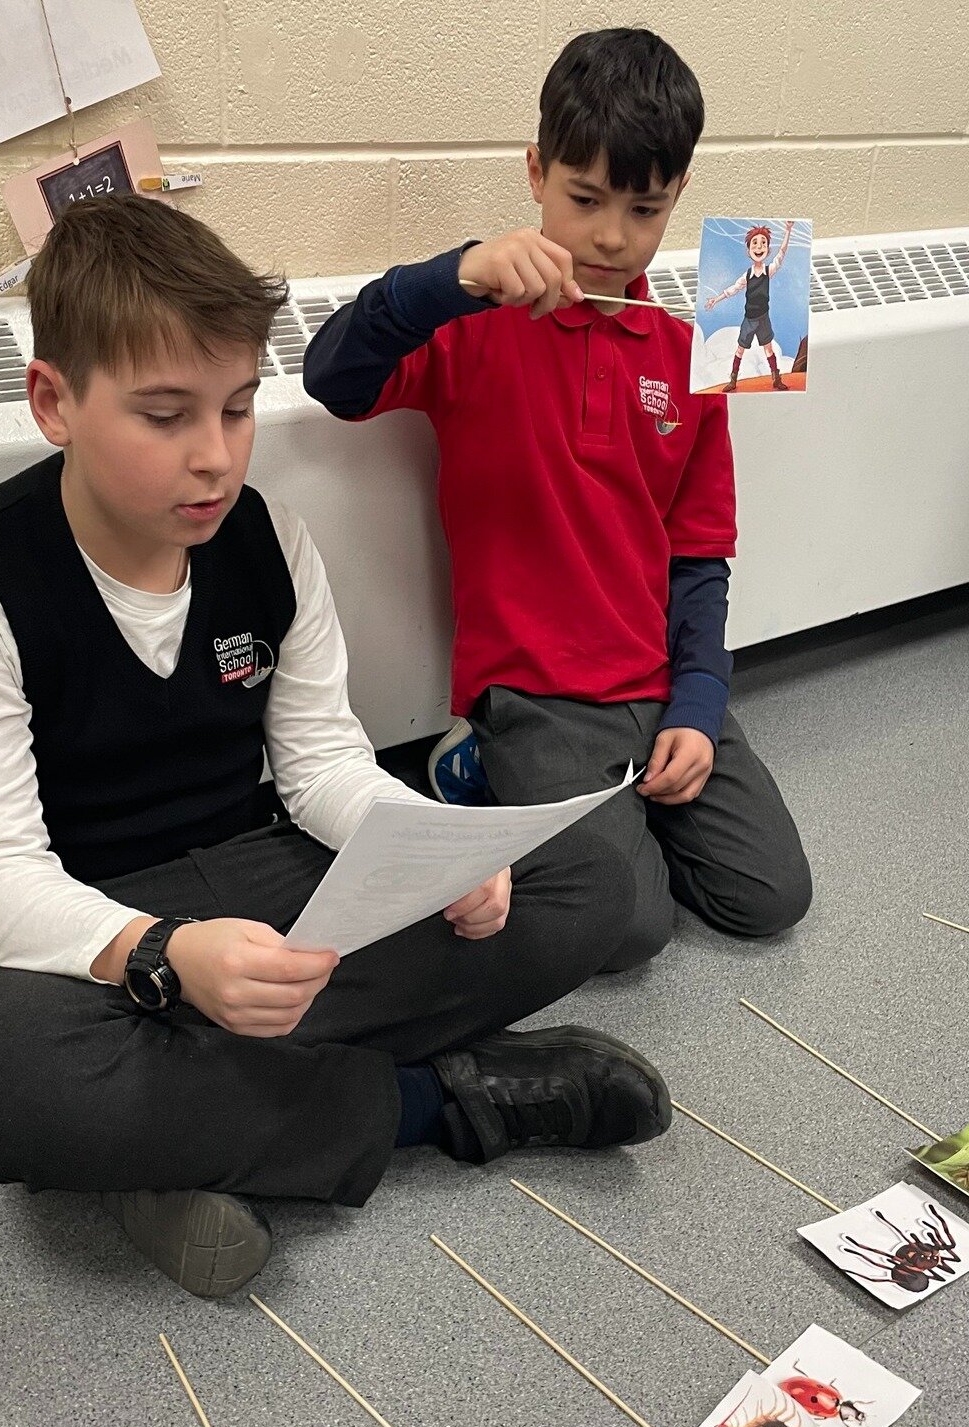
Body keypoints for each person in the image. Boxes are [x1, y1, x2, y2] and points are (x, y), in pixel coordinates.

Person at [0, 195, 670, 1300]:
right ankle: (434, 1103)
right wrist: (166, 956)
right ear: (53, 401)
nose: (214, 458)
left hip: (259, 881)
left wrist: (439, 854)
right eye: (166, 416)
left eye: (239, 408)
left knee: (583, 876)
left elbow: (320, 767)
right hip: (86, 940)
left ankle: (180, 1143)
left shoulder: (269, 537)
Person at [303, 28, 811, 967]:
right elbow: (330, 374)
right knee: (627, 929)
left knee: (772, 896)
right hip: (533, 694)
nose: (612, 235)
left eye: (645, 208)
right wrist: (450, 277)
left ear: (680, 198)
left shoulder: (701, 334)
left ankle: (612, 808)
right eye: (584, 200)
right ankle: (479, 772)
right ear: (536, 171)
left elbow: (701, 551)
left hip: (656, 685)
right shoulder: (472, 318)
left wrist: (698, 705)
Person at [704, 220, 795, 392]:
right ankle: (733, 381)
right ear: (748, 250)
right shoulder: (747, 275)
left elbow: (782, 253)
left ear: (768, 249)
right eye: (755, 243)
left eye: (763, 243)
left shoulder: (769, 271)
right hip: (749, 319)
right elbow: (733, 289)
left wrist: (788, 231)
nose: (759, 247)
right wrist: (716, 299)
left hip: (763, 318)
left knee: (768, 349)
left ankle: (776, 378)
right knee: (740, 350)